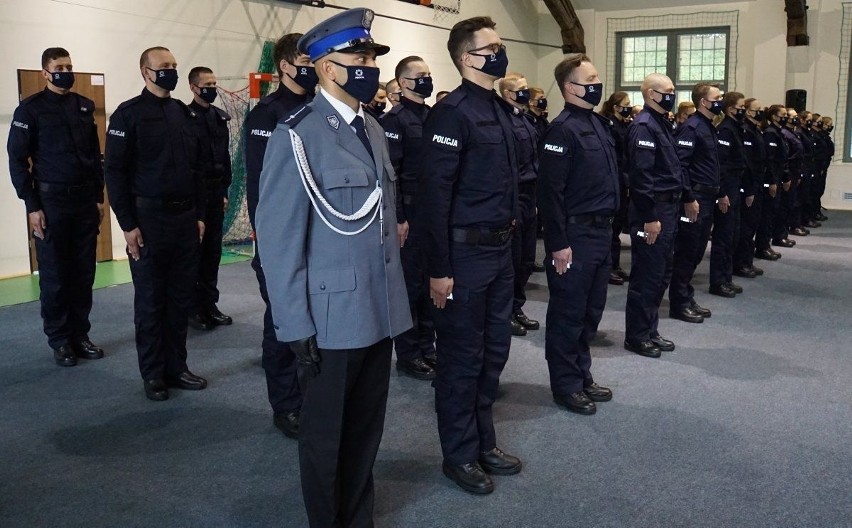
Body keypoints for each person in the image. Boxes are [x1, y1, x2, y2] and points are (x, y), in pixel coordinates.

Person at [255, 8, 411, 526]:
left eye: (371, 56)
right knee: (326, 438)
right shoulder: (296, 135)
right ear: (325, 67)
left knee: (366, 428)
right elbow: (279, 243)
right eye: (358, 57)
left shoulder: (372, 127)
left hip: (378, 306)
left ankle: (357, 516)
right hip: (329, 318)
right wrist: (294, 325)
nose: (368, 66)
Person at [420, 15, 522, 495]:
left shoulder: (500, 110)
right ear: (467, 58)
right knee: (461, 359)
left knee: (493, 354)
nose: (501, 53)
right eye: (493, 47)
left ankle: (484, 441)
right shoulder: (452, 112)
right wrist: (439, 269)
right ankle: (458, 454)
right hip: (464, 258)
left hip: (500, 252)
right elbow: (434, 199)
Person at [104, 46, 207, 401]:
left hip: (183, 219)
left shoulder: (182, 113)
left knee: (180, 298)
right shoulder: (127, 115)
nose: (171, 71)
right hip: (148, 221)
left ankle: (177, 367)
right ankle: (153, 374)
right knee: (150, 301)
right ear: (145, 72)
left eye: (175, 66)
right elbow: (114, 173)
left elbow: (193, 169)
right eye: (165, 66)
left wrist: (197, 215)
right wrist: (128, 225)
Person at [7, 47, 105, 367]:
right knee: (55, 276)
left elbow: (94, 157)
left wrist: (98, 197)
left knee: (83, 273)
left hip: (84, 203)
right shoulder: (30, 110)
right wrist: (32, 206)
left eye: (69, 65)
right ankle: (60, 339)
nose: (66, 70)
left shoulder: (83, 106)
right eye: (59, 66)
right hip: (50, 204)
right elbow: (17, 160)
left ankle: (80, 334)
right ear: (45, 72)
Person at [537, 54, 617, 415]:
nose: (597, 83)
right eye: (591, 78)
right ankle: (566, 385)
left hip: (601, 233)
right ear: (570, 87)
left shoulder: (598, 125)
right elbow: (550, 193)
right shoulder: (562, 129)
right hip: (576, 234)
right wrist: (557, 243)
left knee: (590, 312)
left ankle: (581, 374)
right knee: (568, 314)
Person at [244, 33, 315, 438]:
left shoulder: (320, 108)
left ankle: (311, 398)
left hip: (319, 239)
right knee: (283, 325)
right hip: (282, 241)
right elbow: (262, 188)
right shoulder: (267, 115)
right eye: (305, 59)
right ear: (286, 65)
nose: (312, 66)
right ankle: (286, 404)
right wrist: (272, 246)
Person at [624, 73, 697, 358]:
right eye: (667, 91)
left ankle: (650, 330)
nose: (672, 95)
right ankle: (637, 336)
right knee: (647, 276)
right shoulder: (644, 126)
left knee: (661, 273)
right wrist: (649, 216)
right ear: (651, 94)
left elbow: (673, 168)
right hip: (652, 211)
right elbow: (641, 178)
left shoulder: (662, 123)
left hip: (668, 208)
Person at [381, 55, 436, 380]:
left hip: (432, 213)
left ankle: (427, 349)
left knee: (431, 284)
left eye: (429, 74)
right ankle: (408, 354)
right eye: (420, 76)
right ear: (403, 83)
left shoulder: (434, 116)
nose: (427, 80)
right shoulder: (395, 120)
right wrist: (399, 218)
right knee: (410, 287)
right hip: (410, 215)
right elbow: (392, 175)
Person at [669, 82, 725, 313]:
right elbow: (681, 166)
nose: (720, 101)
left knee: (697, 250)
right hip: (695, 198)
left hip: (708, 196)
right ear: (703, 102)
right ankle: (679, 302)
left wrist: (720, 193)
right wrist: (688, 198)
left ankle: (686, 295)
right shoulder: (691, 127)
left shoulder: (708, 126)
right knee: (687, 251)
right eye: (717, 97)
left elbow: (712, 165)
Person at [185, 66, 233, 331]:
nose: (212, 88)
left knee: (213, 253)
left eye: (214, 83)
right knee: (196, 254)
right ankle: (193, 308)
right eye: (207, 84)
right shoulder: (185, 117)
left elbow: (224, 159)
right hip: (195, 196)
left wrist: (224, 191)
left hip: (216, 194)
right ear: (193, 87)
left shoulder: (219, 118)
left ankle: (209, 304)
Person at [498, 72, 540, 337]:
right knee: (512, 260)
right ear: (507, 94)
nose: (526, 93)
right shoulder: (504, 122)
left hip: (530, 195)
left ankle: (517, 306)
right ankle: (506, 312)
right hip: (513, 195)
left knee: (526, 258)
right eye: (521, 89)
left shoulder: (526, 120)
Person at [710, 91, 747, 292]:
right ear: (731, 109)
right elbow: (721, 166)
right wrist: (722, 193)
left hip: (735, 185)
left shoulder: (736, 128)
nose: (743, 110)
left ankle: (726, 277)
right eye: (740, 106)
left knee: (733, 234)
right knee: (723, 237)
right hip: (727, 188)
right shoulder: (725, 130)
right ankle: (718, 281)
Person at [600, 91, 632, 286]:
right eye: (625, 104)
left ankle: (615, 263)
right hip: (616, 179)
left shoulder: (624, 124)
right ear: (615, 107)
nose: (628, 107)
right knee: (611, 228)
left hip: (624, 179)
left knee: (618, 225)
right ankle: (608, 266)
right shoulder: (610, 126)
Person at [733, 98, 767, 277]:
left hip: (757, 183)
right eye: (757, 109)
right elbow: (748, 164)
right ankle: (740, 263)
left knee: (752, 224)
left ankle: (747, 260)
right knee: (745, 227)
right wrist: (750, 189)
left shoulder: (756, 130)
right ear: (747, 111)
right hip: (749, 185)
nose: (760, 112)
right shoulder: (746, 131)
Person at [757, 105, 790, 258]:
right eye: (783, 114)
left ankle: (765, 244)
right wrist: (772, 181)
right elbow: (769, 160)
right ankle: (762, 246)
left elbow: (782, 159)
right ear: (774, 117)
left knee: (772, 212)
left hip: (777, 176)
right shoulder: (770, 134)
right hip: (771, 179)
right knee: (767, 214)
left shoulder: (779, 133)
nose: (786, 117)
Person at [774, 108, 801, 248]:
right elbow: (785, 157)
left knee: (789, 204)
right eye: (790, 116)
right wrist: (787, 175)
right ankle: (779, 235)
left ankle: (782, 234)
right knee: (783, 206)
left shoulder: (791, 133)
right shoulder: (784, 133)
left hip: (793, 172)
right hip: (786, 173)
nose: (795, 118)